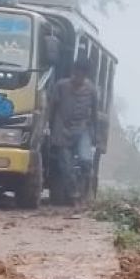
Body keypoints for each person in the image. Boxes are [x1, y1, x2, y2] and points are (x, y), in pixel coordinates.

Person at [49, 59, 101, 207]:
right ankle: (74, 195)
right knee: (66, 166)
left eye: (82, 74)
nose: (79, 77)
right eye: (77, 73)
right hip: (62, 130)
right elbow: (52, 108)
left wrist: (96, 134)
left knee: (86, 160)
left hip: (82, 129)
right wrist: (49, 127)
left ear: (86, 75)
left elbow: (95, 114)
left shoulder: (91, 90)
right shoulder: (61, 86)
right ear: (73, 71)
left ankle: (85, 191)